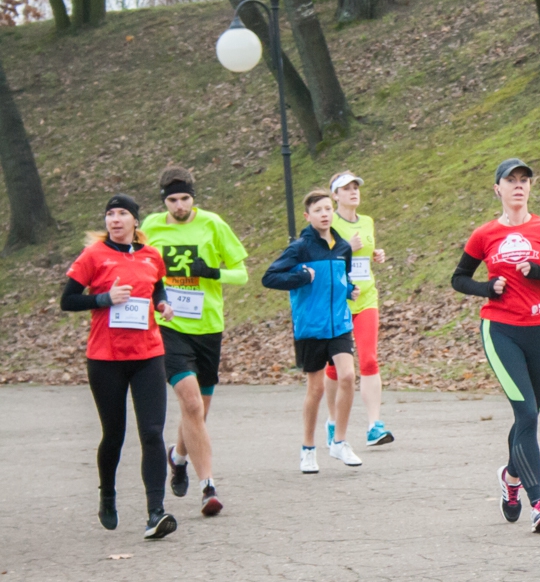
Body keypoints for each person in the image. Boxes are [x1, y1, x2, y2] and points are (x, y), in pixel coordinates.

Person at [451, 158, 540, 532]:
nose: (518, 185)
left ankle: (511, 479)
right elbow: (459, 277)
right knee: (526, 414)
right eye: (510, 180)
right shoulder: (484, 235)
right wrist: (485, 287)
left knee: (528, 417)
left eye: (524, 180)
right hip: (501, 331)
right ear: (497, 189)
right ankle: (538, 503)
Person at [61, 194, 179, 539]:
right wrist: (102, 299)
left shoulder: (151, 256)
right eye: (110, 214)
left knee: (152, 433)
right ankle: (107, 495)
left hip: (148, 354)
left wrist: (163, 304)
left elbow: (158, 287)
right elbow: (67, 300)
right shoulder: (93, 256)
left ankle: (155, 512)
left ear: (135, 222)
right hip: (106, 358)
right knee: (114, 434)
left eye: (122, 214)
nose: (114, 219)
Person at [142, 165, 249, 518]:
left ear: (193, 198)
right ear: (164, 202)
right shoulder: (151, 229)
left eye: (185, 199)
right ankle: (209, 489)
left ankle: (179, 457)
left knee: (198, 411)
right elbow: (138, 267)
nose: (179, 206)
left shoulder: (213, 224)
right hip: (168, 326)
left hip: (207, 327)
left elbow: (242, 273)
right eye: (172, 200)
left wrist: (212, 272)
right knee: (190, 405)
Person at [262, 189, 364, 473]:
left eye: (328, 209)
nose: (324, 214)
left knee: (347, 376)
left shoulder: (342, 247)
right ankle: (308, 448)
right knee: (316, 389)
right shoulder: (300, 249)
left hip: (339, 325)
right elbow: (269, 277)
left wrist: (349, 290)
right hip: (310, 327)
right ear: (308, 216)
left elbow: (342, 279)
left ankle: (339, 442)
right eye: (318, 210)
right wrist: (301, 276)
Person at [322, 170, 395, 449]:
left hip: (366, 299)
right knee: (335, 368)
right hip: (337, 302)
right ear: (335, 195)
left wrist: (377, 255)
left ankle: (374, 426)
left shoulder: (367, 221)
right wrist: (345, 248)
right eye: (346, 188)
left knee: (369, 360)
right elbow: (324, 258)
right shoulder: (330, 223)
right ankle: (332, 421)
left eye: (356, 187)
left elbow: (365, 256)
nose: (353, 192)